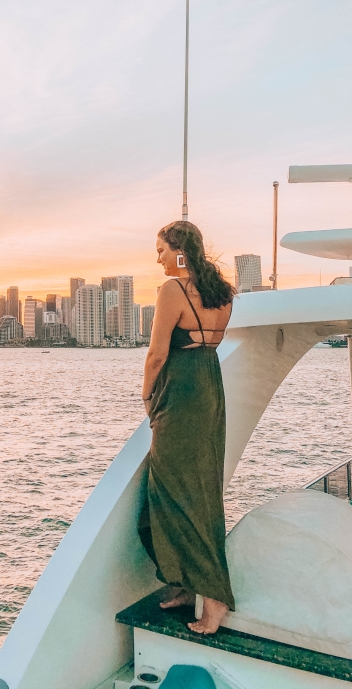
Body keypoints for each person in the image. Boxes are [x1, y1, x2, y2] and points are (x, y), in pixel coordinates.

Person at [138, 220, 235, 634]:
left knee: (179, 495)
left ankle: (215, 604)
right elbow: (206, 344)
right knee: (190, 490)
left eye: (161, 250)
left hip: (180, 396)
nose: (157, 257)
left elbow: (157, 355)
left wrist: (146, 397)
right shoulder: (222, 292)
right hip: (209, 386)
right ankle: (183, 582)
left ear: (179, 251)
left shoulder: (172, 290)